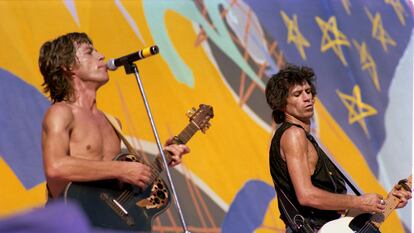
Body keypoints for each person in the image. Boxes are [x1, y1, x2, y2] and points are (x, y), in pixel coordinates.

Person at [38, 32, 190, 201]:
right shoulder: (61, 113)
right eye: (89, 52)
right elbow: (55, 167)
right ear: (68, 66)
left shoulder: (112, 123)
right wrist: (121, 169)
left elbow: (113, 184)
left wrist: (162, 160)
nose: (101, 56)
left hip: (105, 222)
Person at [265, 64, 411, 232]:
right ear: (282, 104)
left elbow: (335, 210)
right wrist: (360, 201)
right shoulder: (293, 135)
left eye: (308, 91)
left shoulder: (306, 138)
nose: (307, 98)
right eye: (298, 94)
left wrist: (388, 202)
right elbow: (306, 196)